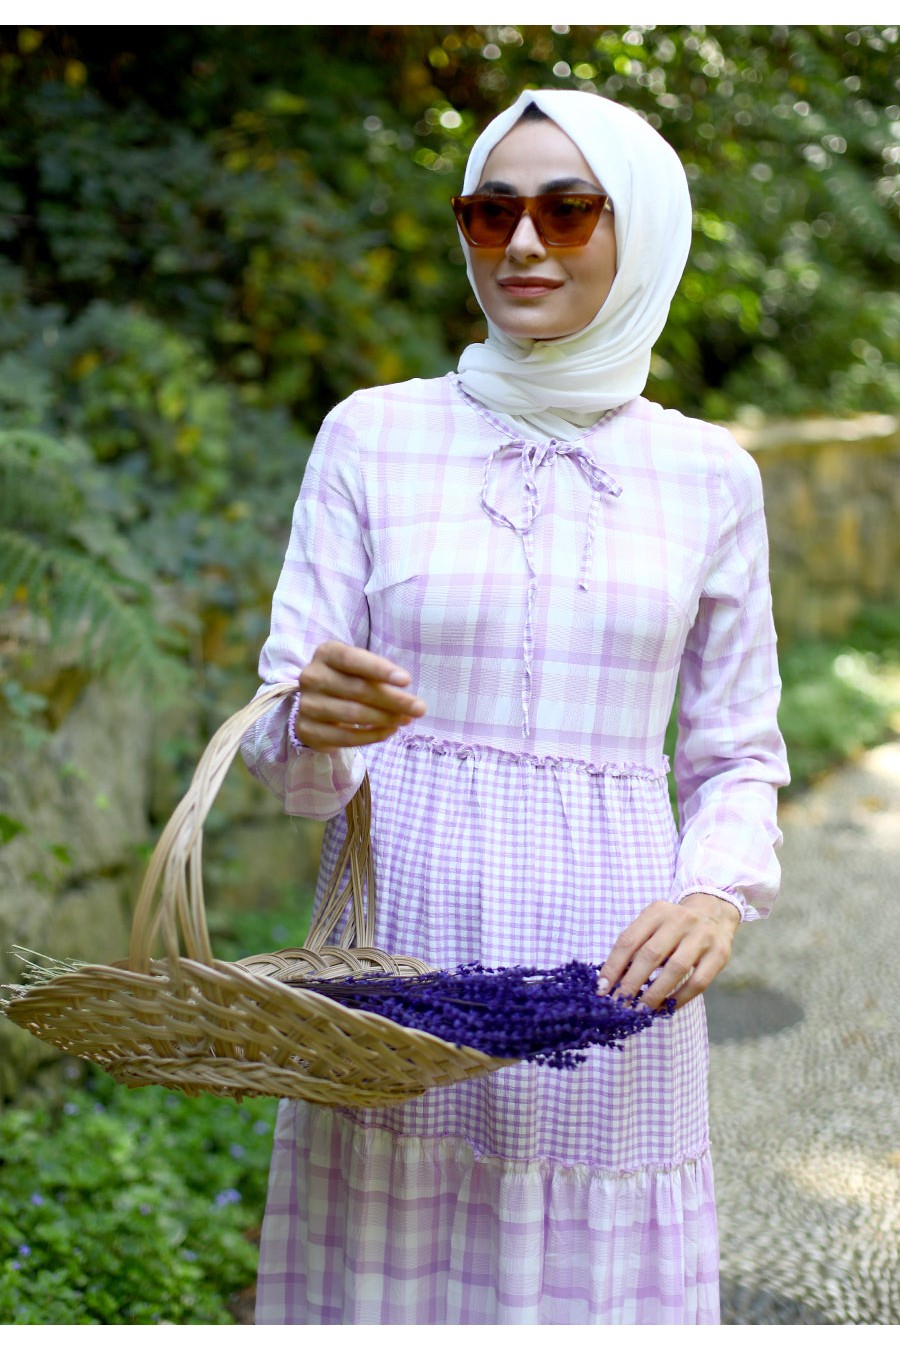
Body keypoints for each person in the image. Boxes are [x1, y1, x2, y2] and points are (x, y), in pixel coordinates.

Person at [241, 87, 789, 1325]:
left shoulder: (711, 475)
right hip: (396, 951)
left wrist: (714, 891)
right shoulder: (371, 436)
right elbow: (285, 749)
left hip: (605, 973)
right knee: (385, 1273)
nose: (524, 243)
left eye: (567, 209)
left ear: (637, 229)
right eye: (491, 214)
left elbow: (735, 751)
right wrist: (316, 722)